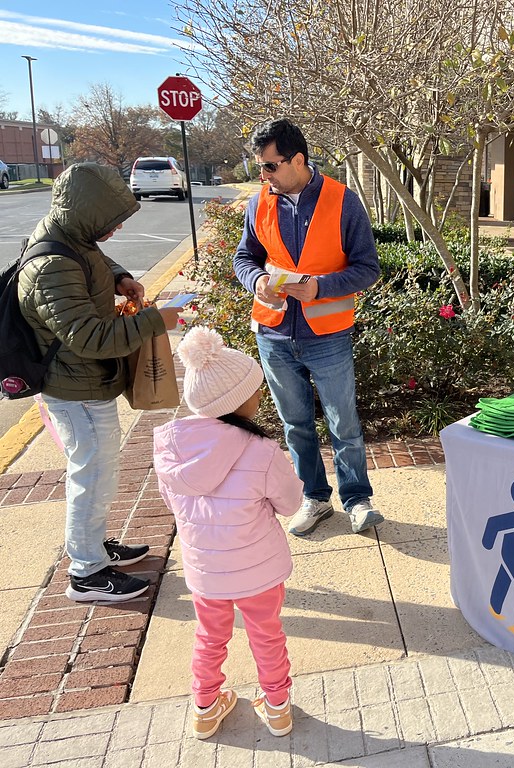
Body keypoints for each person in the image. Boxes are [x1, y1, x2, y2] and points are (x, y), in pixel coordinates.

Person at [17, 162, 182, 603]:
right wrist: (155, 321)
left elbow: (93, 261)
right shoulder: (52, 265)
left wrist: (120, 277)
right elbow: (89, 337)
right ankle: (86, 572)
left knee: (99, 472)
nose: (116, 229)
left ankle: (93, 547)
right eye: (109, 221)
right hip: (75, 390)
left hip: (84, 384)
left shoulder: (70, 235)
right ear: (86, 213)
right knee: (91, 476)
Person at [234, 118, 384, 536]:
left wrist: (319, 287)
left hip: (328, 335)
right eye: (260, 167)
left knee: (343, 423)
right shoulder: (259, 203)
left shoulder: (343, 201)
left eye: (270, 166)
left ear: (297, 160)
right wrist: (256, 281)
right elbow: (244, 258)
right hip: (274, 333)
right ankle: (315, 498)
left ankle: (357, 500)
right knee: (295, 424)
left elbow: (367, 268)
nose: (264, 175)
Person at [153, 326, 303, 740]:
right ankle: (277, 707)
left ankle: (204, 708)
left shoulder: (171, 449)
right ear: (239, 401)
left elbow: (172, 503)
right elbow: (291, 504)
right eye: (256, 390)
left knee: (209, 636)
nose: (261, 395)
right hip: (257, 570)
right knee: (267, 636)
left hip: (205, 571)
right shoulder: (261, 450)